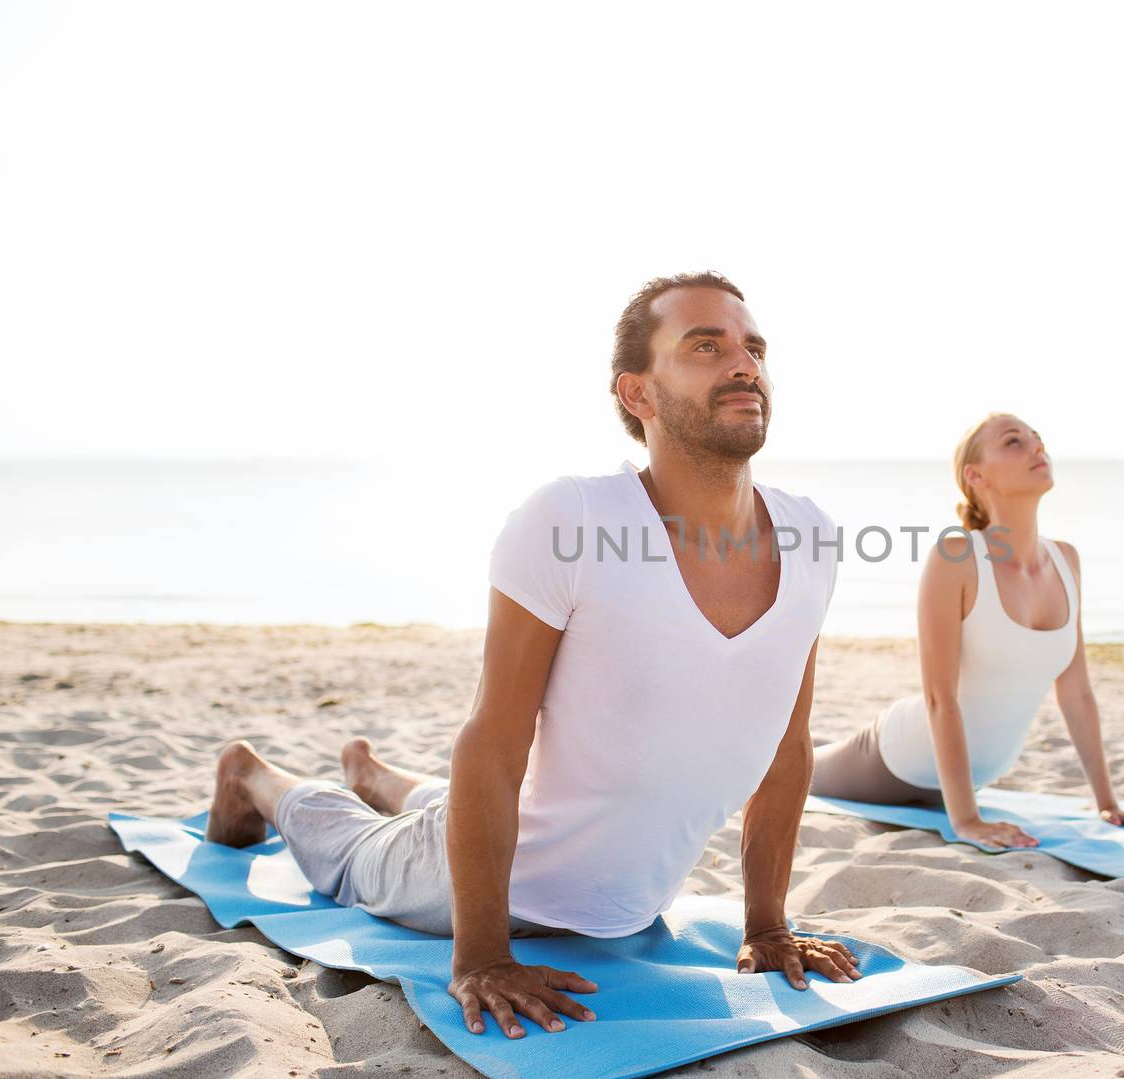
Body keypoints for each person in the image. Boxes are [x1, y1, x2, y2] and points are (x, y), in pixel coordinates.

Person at [202, 271, 861, 1042]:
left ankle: (376, 773)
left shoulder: (811, 536)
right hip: (482, 886)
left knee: (456, 803)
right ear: (638, 394)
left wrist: (768, 923)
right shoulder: (570, 519)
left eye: (752, 346)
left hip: (609, 893)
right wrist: (481, 953)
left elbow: (787, 742)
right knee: (350, 855)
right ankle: (255, 775)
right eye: (705, 346)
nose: (743, 363)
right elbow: (494, 739)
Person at [808, 412, 1124, 848]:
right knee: (790, 765)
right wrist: (965, 821)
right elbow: (938, 696)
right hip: (901, 758)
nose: (1037, 447)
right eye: (1014, 441)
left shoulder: (1066, 560)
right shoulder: (957, 556)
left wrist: (1108, 804)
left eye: (1038, 438)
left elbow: (1076, 693)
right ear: (975, 476)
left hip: (974, 775)